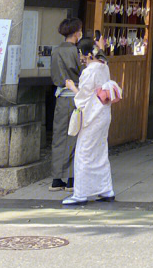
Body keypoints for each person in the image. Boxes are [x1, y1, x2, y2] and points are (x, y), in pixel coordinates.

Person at [62, 38, 118, 206]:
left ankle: (81, 193)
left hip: (91, 116)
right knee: (100, 152)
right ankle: (105, 189)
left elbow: (82, 98)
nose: (80, 57)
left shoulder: (89, 71)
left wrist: (72, 87)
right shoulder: (104, 66)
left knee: (84, 153)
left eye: (80, 53)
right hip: (103, 114)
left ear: (86, 54)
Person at [49, 17, 82, 191]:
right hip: (75, 96)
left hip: (61, 97)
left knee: (59, 135)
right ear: (77, 33)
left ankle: (56, 178)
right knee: (74, 135)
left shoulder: (55, 51)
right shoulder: (76, 52)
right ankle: (71, 177)